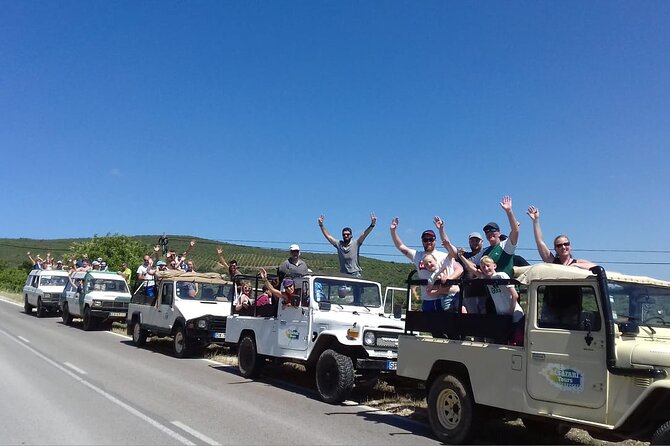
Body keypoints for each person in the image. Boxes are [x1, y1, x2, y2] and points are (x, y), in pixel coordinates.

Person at [390, 217, 460, 312]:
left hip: (442, 299)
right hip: (427, 300)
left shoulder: (443, 256)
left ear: (435, 241)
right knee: (427, 326)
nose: (428, 242)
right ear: (422, 241)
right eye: (425, 240)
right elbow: (401, 247)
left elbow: (452, 250)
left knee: (444, 326)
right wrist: (393, 231)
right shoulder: (417, 256)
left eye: (431, 239)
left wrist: (441, 230)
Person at [460, 254, 524, 345]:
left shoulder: (501, 275)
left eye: (488, 266)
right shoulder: (487, 279)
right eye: (483, 267)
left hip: (515, 315)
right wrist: (461, 256)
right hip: (503, 317)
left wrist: (510, 312)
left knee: (516, 343)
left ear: (494, 266)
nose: (486, 268)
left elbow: (515, 295)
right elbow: (471, 269)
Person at [527, 205, 597, 269]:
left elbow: (596, 267)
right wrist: (535, 221)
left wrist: (575, 265)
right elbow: (540, 242)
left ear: (570, 246)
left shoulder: (578, 262)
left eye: (566, 244)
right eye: (559, 245)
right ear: (555, 249)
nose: (563, 247)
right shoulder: (552, 262)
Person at [317, 213, 376, 277]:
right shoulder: (339, 244)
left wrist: (372, 225)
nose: (346, 236)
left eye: (347, 234)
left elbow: (364, 234)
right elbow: (328, 236)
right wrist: (321, 225)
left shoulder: (356, 243)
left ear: (351, 235)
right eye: (344, 234)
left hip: (355, 274)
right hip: (343, 274)